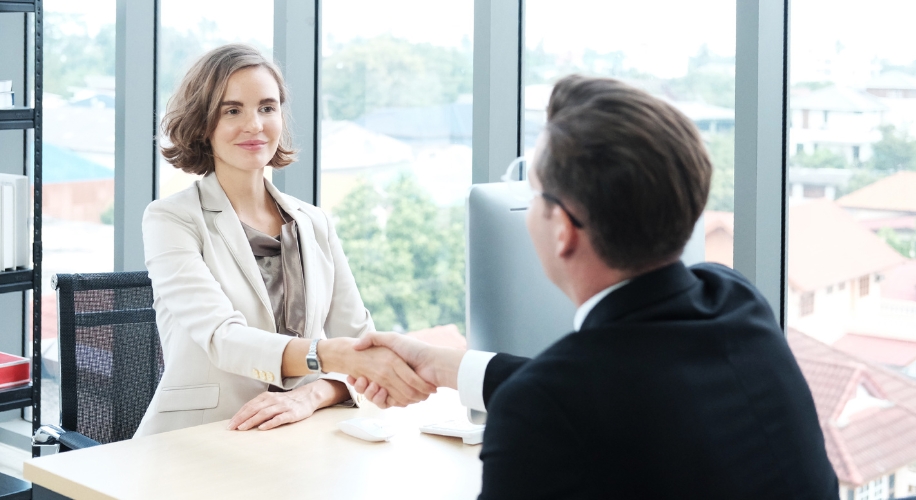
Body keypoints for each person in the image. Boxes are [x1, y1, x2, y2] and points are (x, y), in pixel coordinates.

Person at [349, 75, 839, 498]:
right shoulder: (735, 300)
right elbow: (622, 389)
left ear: (563, 228)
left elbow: (578, 396)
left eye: (534, 194)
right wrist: (444, 366)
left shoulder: (546, 412)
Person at [135, 44, 435, 438]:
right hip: (201, 435)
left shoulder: (313, 222)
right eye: (232, 110)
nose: (255, 125)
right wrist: (328, 355)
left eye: (267, 107)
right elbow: (223, 339)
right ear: (202, 124)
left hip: (295, 438)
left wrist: (310, 396)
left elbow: (361, 342)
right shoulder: (171, 219)